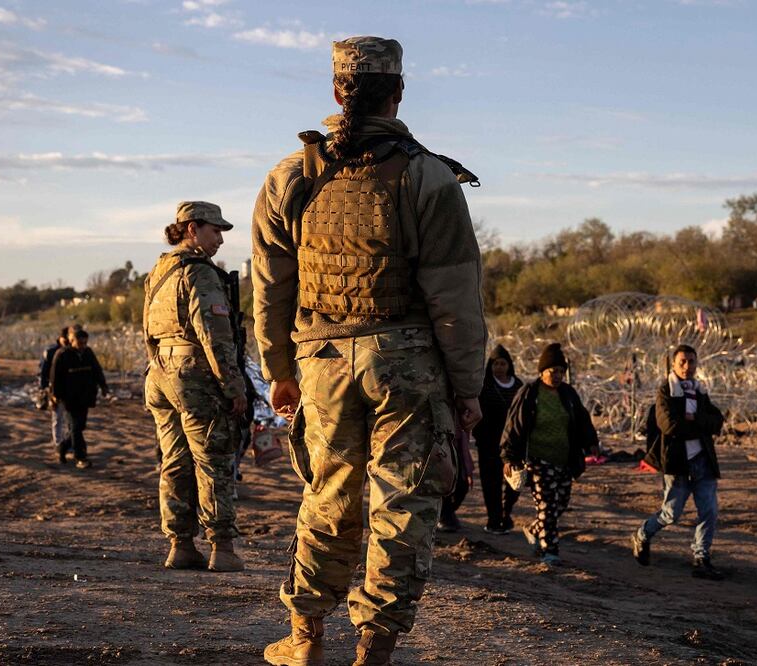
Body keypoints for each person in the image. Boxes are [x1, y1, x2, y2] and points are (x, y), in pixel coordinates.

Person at [255, 36, 486, 666]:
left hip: (321, 362)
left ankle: (304, 640)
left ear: (336, 91)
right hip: (407, 365)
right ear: (399, 92)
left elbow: (271, 289)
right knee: (403, 507)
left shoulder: (290, 176)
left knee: (327, 495)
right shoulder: (428, 176)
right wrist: (468, 389)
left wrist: (279, 371)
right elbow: (456, 298)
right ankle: (374, 651)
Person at [143, 201, 248, 573]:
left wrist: (161, 368)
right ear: (192, 229)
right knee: (213, 459)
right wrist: (233, 386)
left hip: (160, 372)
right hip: (194, 374)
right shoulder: (199, 273)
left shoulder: (159, 271)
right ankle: (222, 547)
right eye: (214, 230)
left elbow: (148, 333)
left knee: (174, 461)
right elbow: (215, 336)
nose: (220, 238)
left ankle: (181, 545)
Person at [631, 344, 726, 580]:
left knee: (709, 512)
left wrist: (694, 419)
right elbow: (669, 425)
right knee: (671, 513)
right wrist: (699, 424)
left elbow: (717, 421)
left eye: (691, 361)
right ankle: (643, 534)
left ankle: (701, 557)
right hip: (677, 463)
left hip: (703, 461)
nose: (687, 366)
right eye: (682, 362)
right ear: (673, 365)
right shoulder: (666, 392)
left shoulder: (699, 391)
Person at [500, 343, 598, 566]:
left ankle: (535, 529)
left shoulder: (568, 394)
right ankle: (549, 552)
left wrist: (591, 441)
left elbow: (582, 420)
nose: (557, 376)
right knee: (547, 506)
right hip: (537, 459)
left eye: (561, 372)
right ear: (542, 371)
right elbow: (514, 426)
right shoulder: (530, 393)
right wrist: (509, 457)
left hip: (564, 459)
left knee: (560, 503)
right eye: (553, 371)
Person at [473, 344, 523, 534]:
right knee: (491, 482)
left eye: (503, 364)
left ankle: (506, 512)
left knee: (514, 481)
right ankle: (494, 518)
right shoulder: (484, 386)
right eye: (496, 364)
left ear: (509, 365)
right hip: (489, 443)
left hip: (512, 444)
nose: (499, 368)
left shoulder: (518, 386)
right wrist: (481, 436)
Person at [48, 328, 108, 470]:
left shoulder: (88, 353)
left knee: (80, 427)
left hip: (85, 396)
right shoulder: (62, 354)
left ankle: (62, 448)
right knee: (75, 427)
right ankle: (80, 457)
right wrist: (55, 395)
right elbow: (54, 377)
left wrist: (103, 386)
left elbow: (97, 370)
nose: (83, 345)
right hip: (69, 398)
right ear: (72, 341)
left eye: (85, 342)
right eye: (80, 342)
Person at [40, 326, 79, 462]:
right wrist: (44, 388)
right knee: (57, 419)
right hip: (54, 390)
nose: (67, 341)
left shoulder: (73, 351)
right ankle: (58, 444)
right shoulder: (51, 351)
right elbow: (44, 371)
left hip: (69, 390)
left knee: (70, 420)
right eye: (65, 338)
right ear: (60, 338)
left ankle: (68, 445)